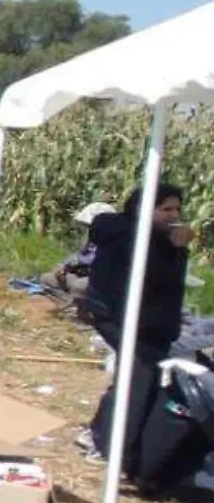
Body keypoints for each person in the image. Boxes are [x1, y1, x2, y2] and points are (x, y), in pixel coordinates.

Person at [78, 184, 194, 470]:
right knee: (138, 378)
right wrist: (171, 247)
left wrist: (174, 247)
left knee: (138, 378)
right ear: (143, 209)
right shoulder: (130, 235)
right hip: (118, 318)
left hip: (150, 326)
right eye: (165, 209)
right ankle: (109, 446)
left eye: (177, 209)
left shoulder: (159, 240)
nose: (173, 215)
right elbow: (149, 275)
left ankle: (104, 437)